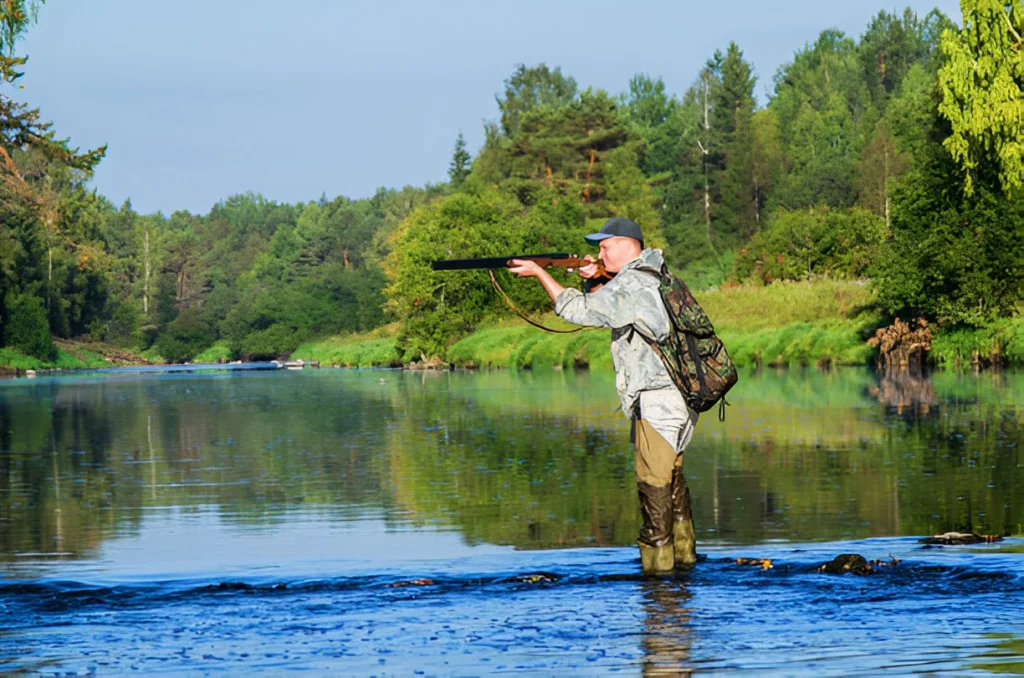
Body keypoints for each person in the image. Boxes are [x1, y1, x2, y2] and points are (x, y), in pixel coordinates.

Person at [508, 217, 698, 574]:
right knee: (671, 479)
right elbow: (616, 309)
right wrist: (597, 277)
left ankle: (659, 578)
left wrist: (539, 273)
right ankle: (685, 565)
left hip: (657, 398)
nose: (599, 252)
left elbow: (577, 310)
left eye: (604, 246)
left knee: (653, 484)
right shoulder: (656, 274)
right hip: (680, 397)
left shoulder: (632, 283)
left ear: (627, 245)